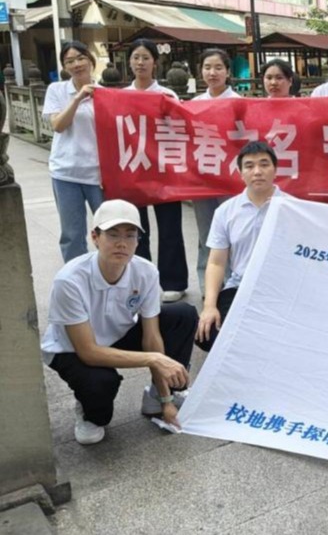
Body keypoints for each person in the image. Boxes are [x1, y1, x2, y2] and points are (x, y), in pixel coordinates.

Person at [40, 199, 197, 445]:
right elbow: (88, 352)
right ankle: (88, 411)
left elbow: (151, 336)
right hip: (72, 349)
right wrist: (154, 359)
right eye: (112, 235)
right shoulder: (69, 280)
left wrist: (165, 400)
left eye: (130, 235)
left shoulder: (146, 272)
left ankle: (155, 397)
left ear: (138, 241)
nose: (122, 243)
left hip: (115, 334)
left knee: (182, 315)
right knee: (101, 385)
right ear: (95, 237)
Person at [195, 141, 286, 351]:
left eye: (264, 164)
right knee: (208, 334)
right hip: (240, 287)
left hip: (280, 290)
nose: (257, 171)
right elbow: (216, 263)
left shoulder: (293, 209)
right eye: (249, 166)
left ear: (275, 169)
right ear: (240, 173)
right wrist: (209, 306)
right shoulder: (226, 211)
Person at [125, 38, 189, 303]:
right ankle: (142, 280)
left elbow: (180, 129)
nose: (140, 63)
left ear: (155, 62)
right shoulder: (121, 96)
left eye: (146, 58)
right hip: (133, 169)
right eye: (136, 57)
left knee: (170, 227)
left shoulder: (167, 95)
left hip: (164, 169)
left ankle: (173, 281)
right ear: (130, 62)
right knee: (137, 229)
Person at [42, 41, 103, 262]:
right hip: (66, 173)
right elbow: (58, 125)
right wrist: (78, 98)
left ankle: (109, 274)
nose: (76, 64)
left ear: (90, 60)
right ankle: (76, 277)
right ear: (65, 66)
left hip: (99, 175)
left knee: (108, 229)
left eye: (81, 58)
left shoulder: (105, 93)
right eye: (69, 61)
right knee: (72, 234)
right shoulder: (56, 90)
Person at [192, 48, 241, 294]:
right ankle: (207, 285)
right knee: (205, 233)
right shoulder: (193, 105)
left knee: (231, 232)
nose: (213, 73)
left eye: (218, 67)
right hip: (201, 179)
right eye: (207, 67)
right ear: (200, 71)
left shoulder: (239, 103)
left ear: (228, 72)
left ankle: (231, 283)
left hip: (230, 179)